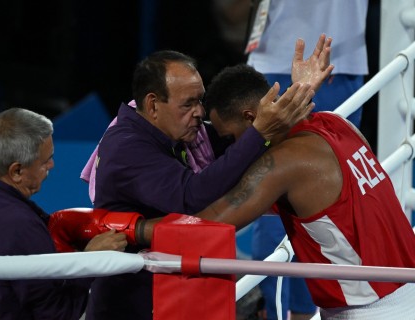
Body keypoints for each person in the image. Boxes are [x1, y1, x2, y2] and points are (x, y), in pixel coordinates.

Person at [139, 64, 415, 318]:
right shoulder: (337, 123)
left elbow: (209, 224)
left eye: (231, 138)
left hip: (370, 310)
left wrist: (130, 227)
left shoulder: (282, 164)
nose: (234, 149)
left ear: (251, 119)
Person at [83, 38, 333, 319]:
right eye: (189, 103)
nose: (200, 112)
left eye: (200, 100)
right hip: (133, 304)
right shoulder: (126, 148)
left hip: (177, 291)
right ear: (153, 105)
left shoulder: (185, 131)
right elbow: (192, 198)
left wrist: (300, 93)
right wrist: (259, 133)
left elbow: (245, 138)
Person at [0, 108, 128, 320]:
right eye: (45, 161)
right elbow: (60, 313)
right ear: (16, 171)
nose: (52, 165)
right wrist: (90, 262)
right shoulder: (19, 225)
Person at [245, 1, 369, 318]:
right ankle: (276, 312)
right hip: (276, 54)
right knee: (272, 202)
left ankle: (307, 311)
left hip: (343, 60)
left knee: (327, 203)